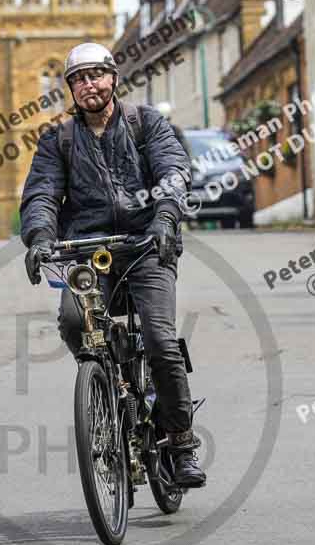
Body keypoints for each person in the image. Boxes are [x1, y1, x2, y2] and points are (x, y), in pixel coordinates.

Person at [20, 43, 205, 487]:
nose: (89, 85)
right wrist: (41, 239)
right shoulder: (58, 140)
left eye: (96, 75)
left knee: (160, 342)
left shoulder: (146, 124)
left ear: (113, 79)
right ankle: (104, 381)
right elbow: (42, 194)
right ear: (71, 89)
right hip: (87, 253)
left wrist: (164, 218)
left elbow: (173, 172)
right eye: (79, 79)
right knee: (71, 322)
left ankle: (180, 441)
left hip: (147, 247)